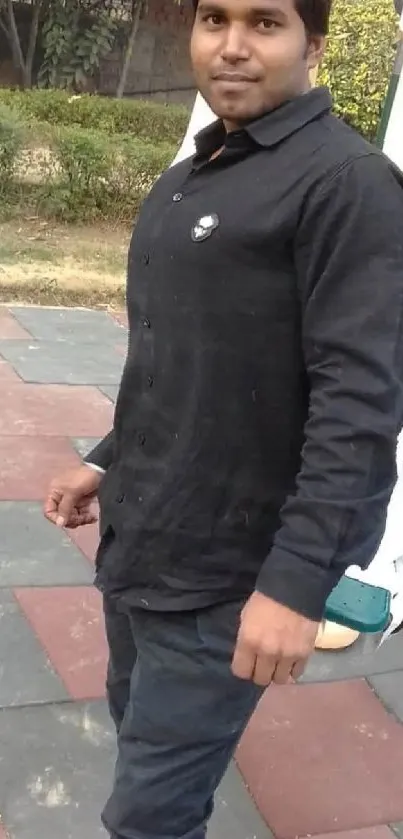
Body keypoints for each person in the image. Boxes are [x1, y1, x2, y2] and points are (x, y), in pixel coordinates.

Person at [44, 0, 403, 835]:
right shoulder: (189, 177)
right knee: (138, 732)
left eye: (264, 23)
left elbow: (361, 402)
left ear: (311, 43)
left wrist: (295, 582)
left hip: (227, 572)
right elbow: (185, 361)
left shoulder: (347, 185)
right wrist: (103, 459)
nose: (233, 46)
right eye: (214, 19)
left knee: (148, 812)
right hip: (142, 536)